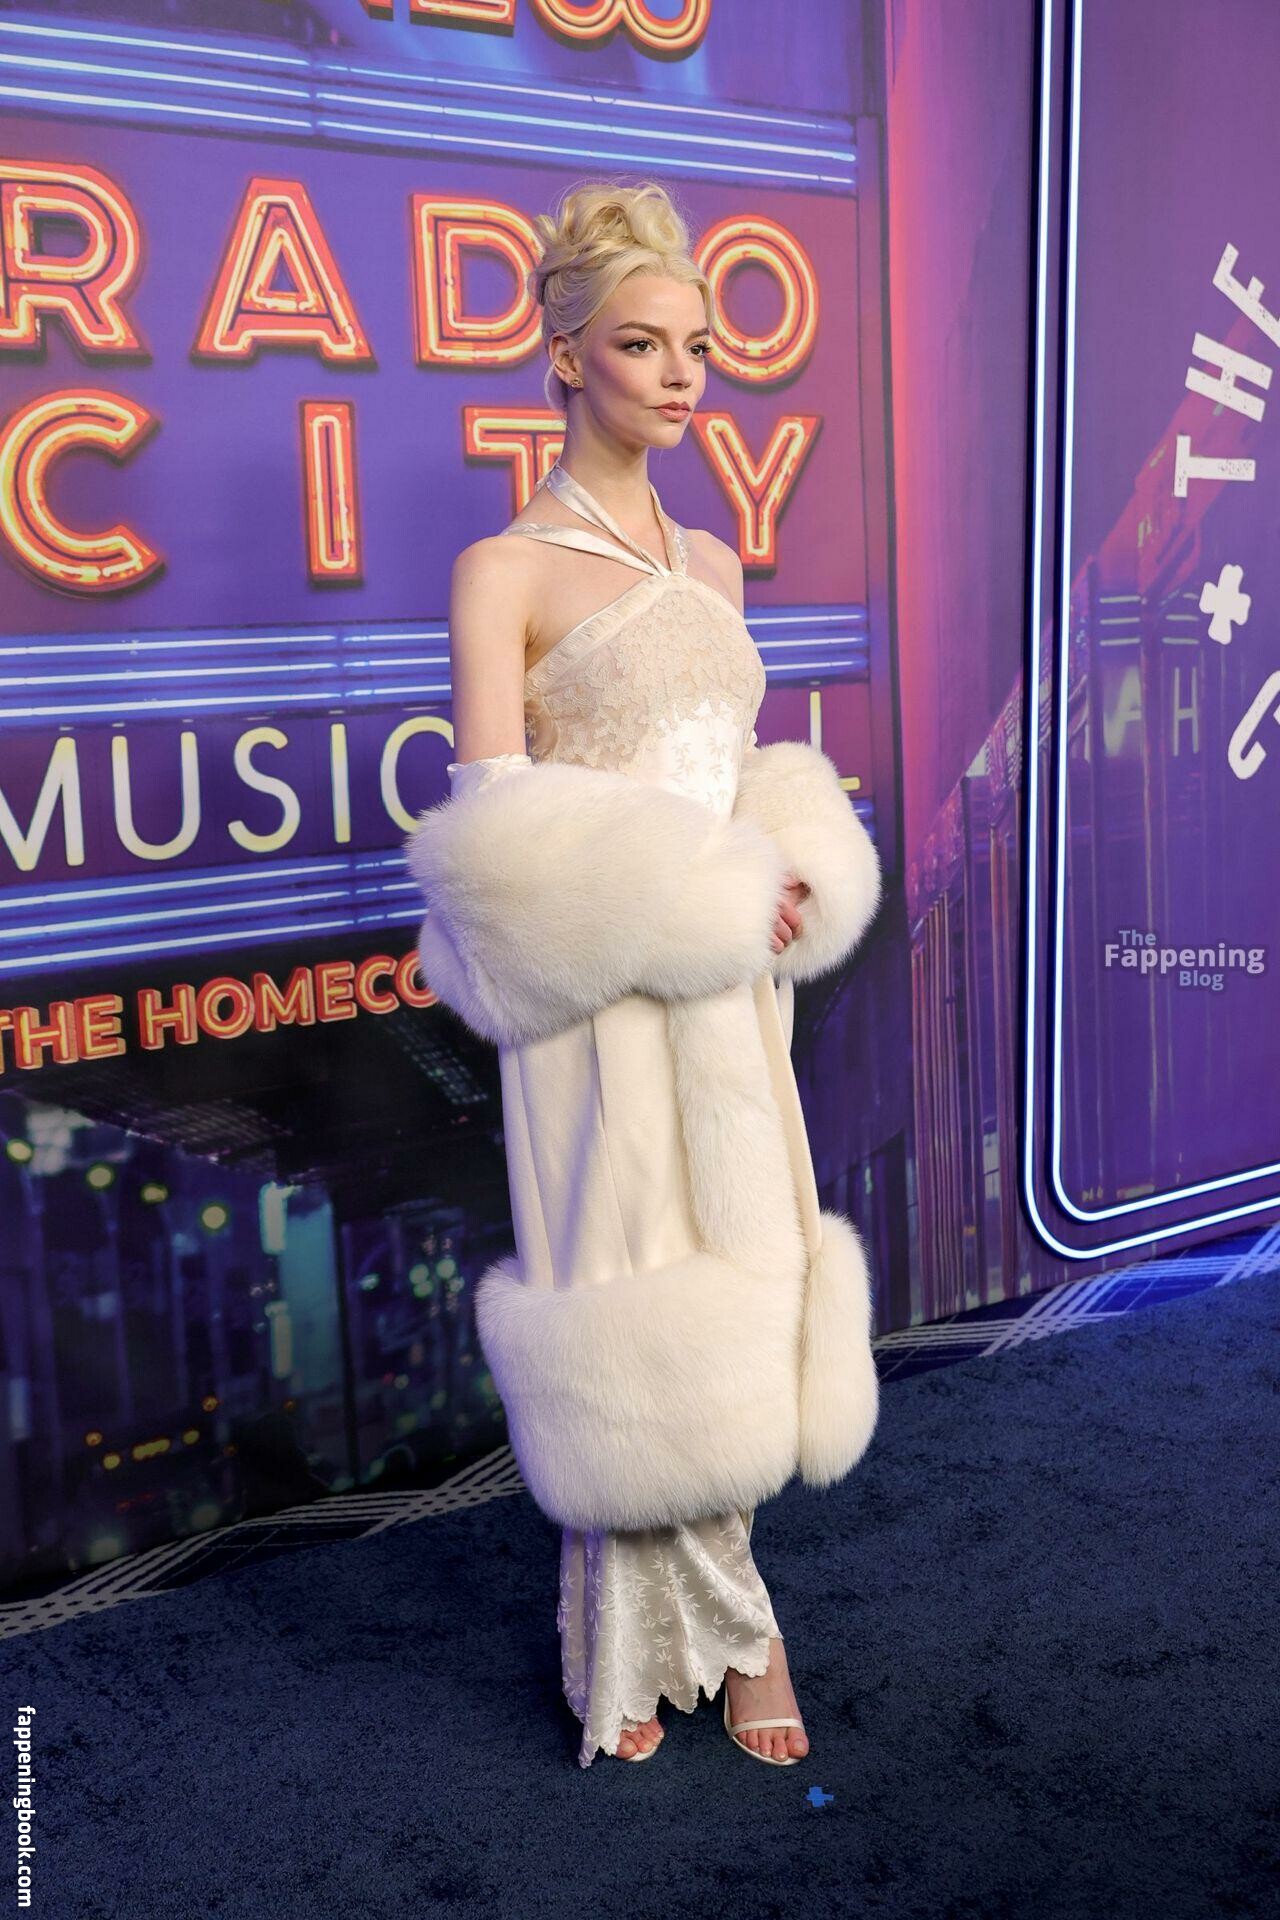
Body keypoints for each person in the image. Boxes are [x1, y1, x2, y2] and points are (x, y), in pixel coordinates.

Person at [405, 178, 882, 1768]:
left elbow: (731, 775)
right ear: (565, 356)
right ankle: (654, 1635)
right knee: (631, 1301)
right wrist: (684, 897)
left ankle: (738, 1629)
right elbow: (495, 834)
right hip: (598, 1003)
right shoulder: (503, 569)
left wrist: (784, 860)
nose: (680, 376)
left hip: (729, 997)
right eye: (640, 344)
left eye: (696, 347)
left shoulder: (715, 560)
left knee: (732, 1285)